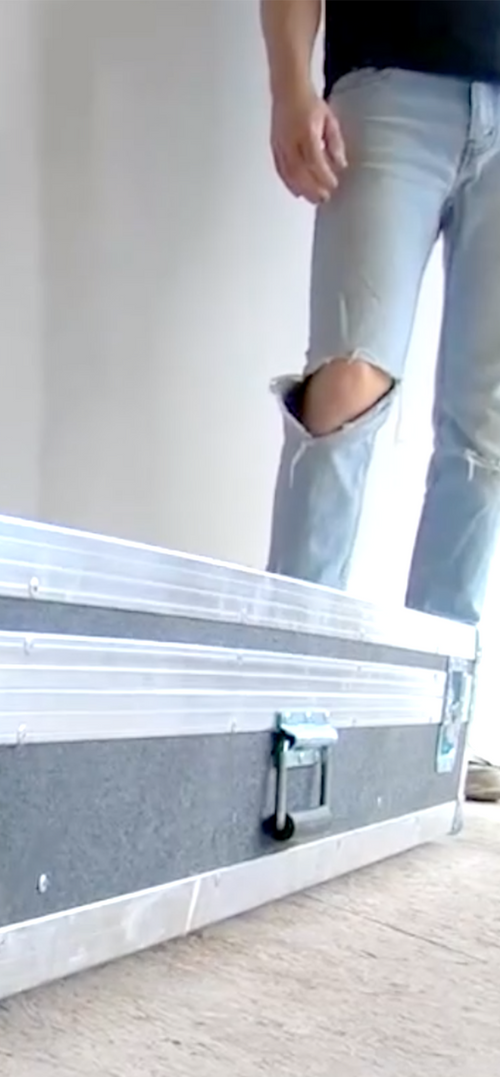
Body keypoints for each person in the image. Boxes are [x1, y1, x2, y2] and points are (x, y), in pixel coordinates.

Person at [261, 0, 500, 800]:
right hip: (393, 85)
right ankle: (284, 701)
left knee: (486, 433)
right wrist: (291, 86)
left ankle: (436, 729)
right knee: (345, 393)